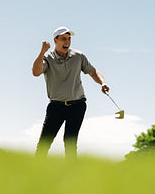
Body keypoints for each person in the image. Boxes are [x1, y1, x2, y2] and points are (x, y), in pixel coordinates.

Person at [32, 26, 109, 158]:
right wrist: (42, 52)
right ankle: (33, 173)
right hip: (56, 106)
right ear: (55, 40)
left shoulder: (78, 56)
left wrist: (103, 82)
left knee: (70, 142)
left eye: (69, 39)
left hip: (78, 105)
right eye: (63, 39)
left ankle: (71, 173)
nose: (67, 42)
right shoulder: (48, 58)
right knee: (44, 143)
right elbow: (36, 72)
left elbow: (93, 72)